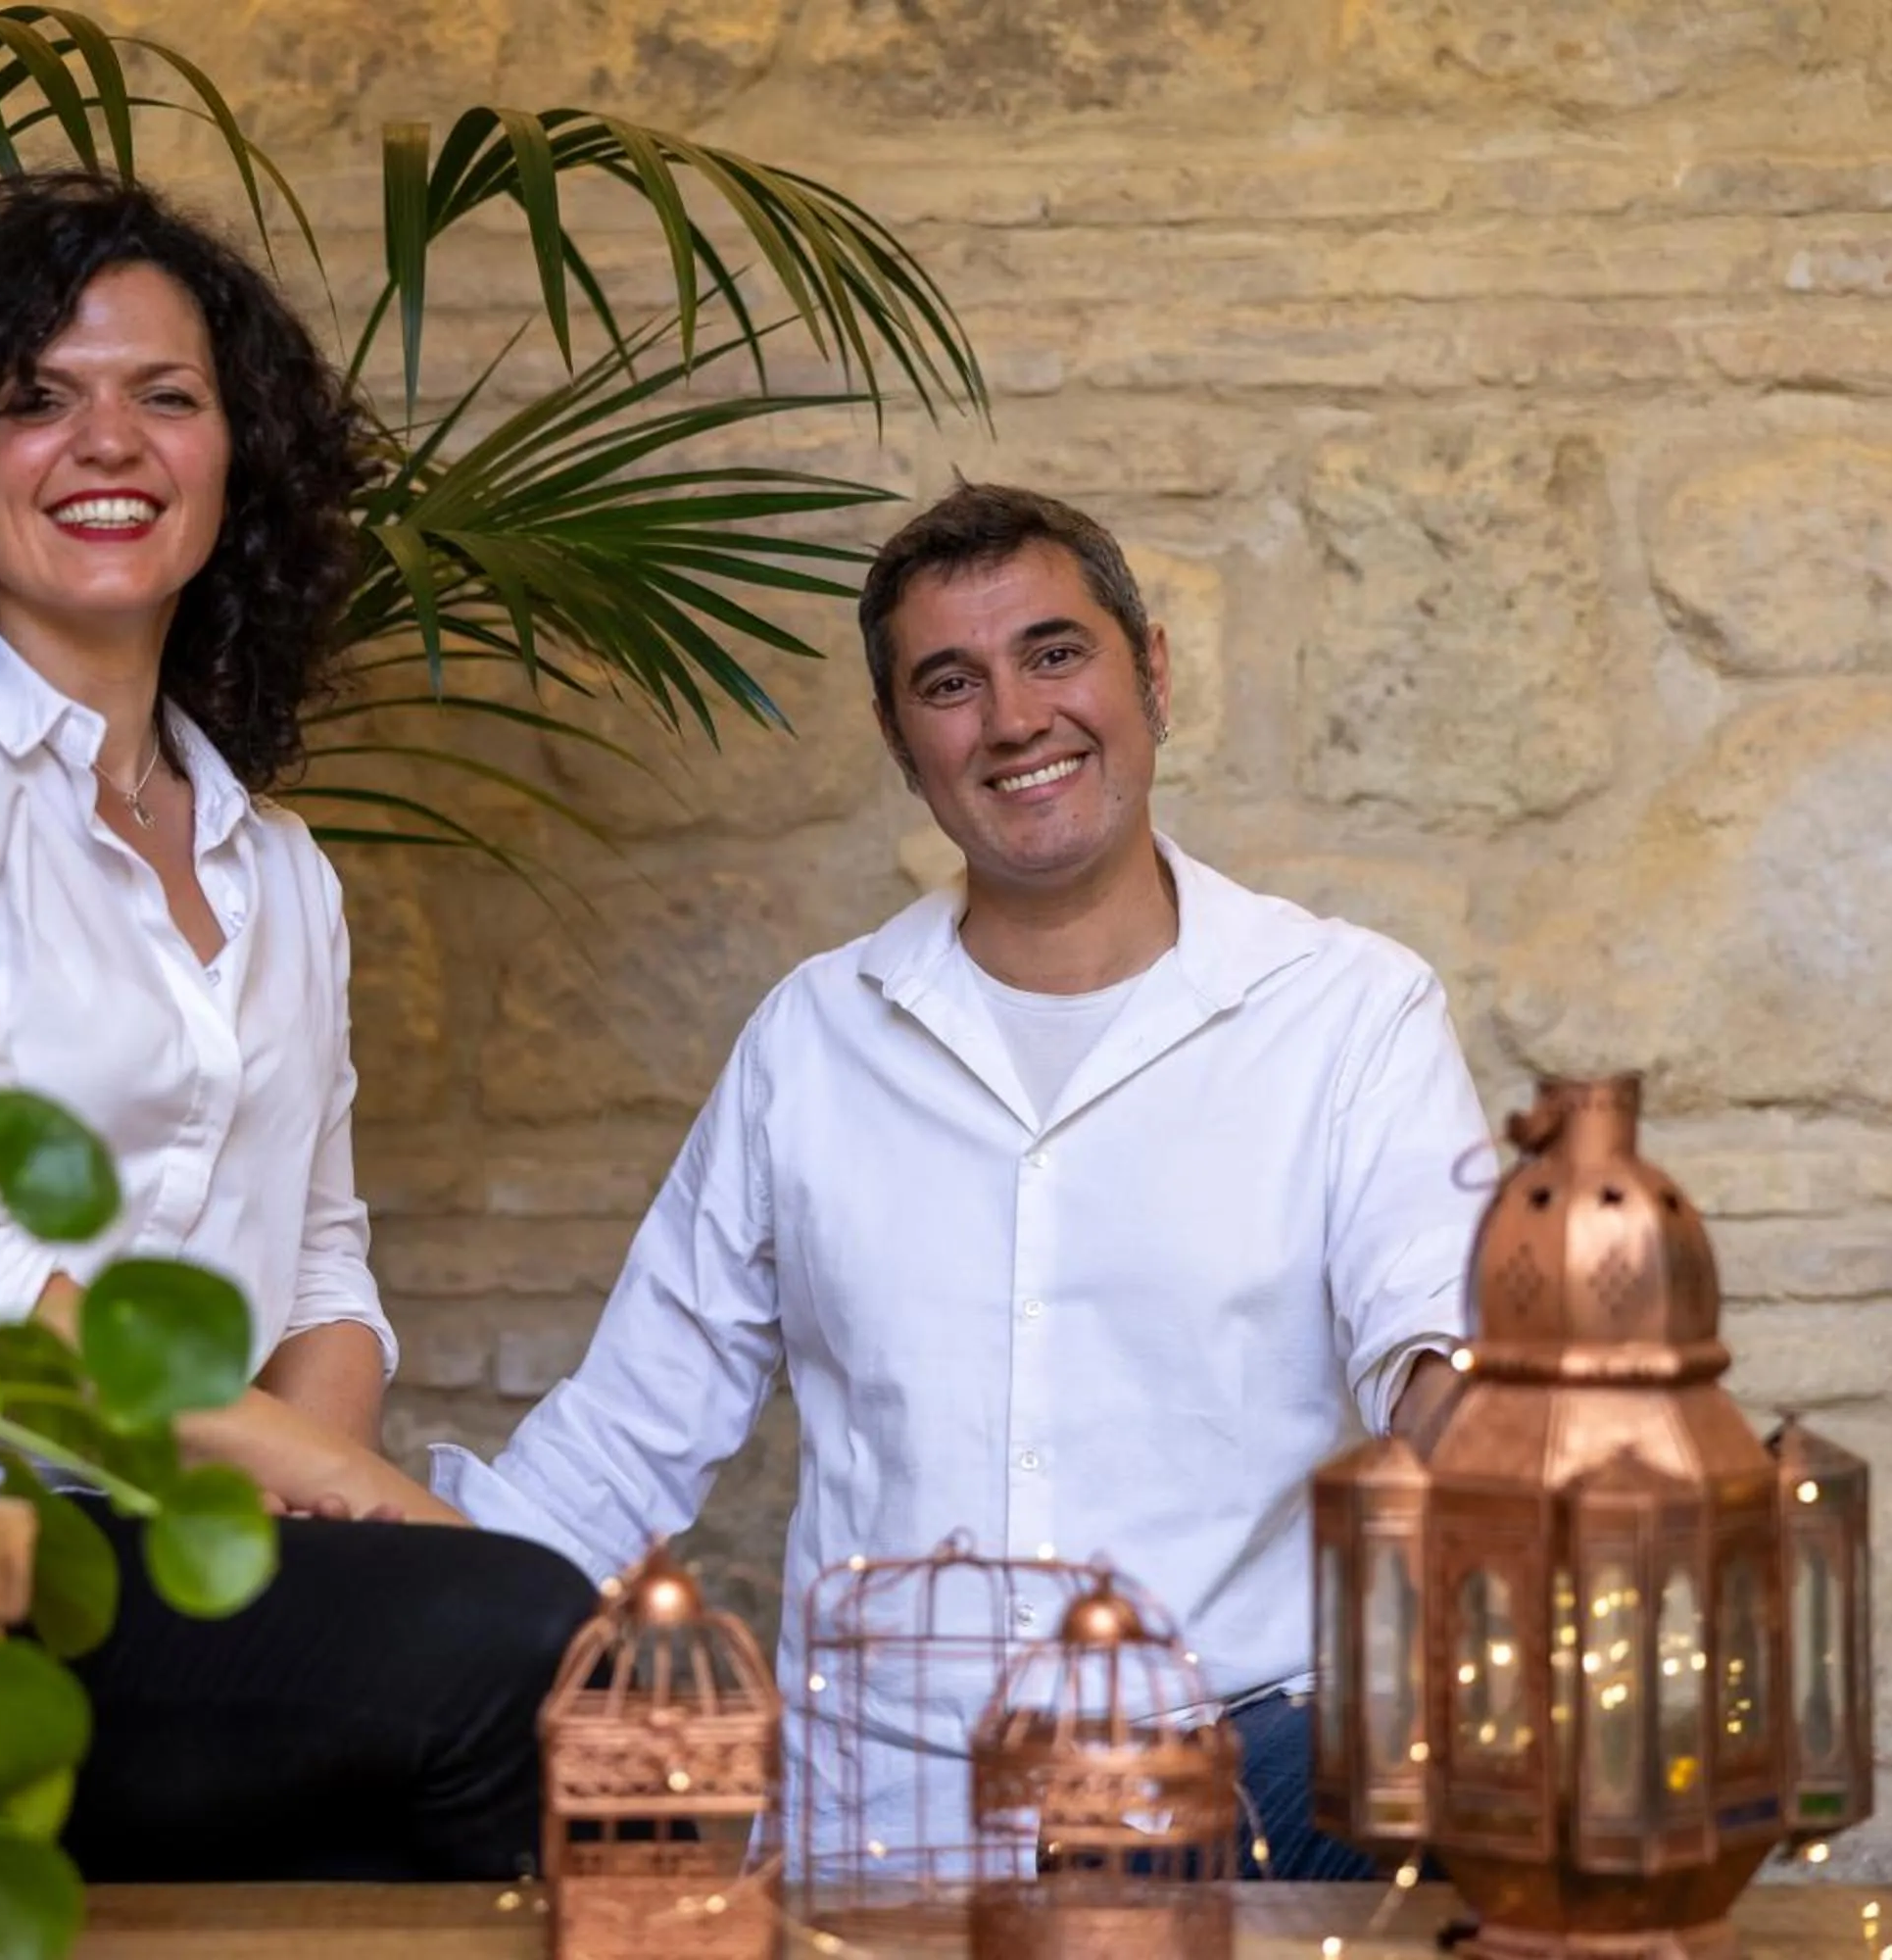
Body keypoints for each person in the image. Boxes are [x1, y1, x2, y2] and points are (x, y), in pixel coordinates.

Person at [0, 170, 596, 1882]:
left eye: (164, 398)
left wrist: (292, 1494)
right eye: (38, 399)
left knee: (489, 1678)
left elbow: (323, 1266)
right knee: (515, 1634)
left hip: (149, 1550)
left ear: (234, 463)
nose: (107, 439)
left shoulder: (282, 870)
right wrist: (378, 1512)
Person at [434, 484, 1494, 1881]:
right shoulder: (812, 1041)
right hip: (885, 1831)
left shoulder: (1349, 1013)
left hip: (1240, 1806)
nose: (1013, 718)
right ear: (900, 741)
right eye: (952, 682)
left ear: (1152, 673)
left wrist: (1506, 1442)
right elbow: (624, 1440)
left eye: (1056, 654)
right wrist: (391, 1591)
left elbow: (1437, 1355)